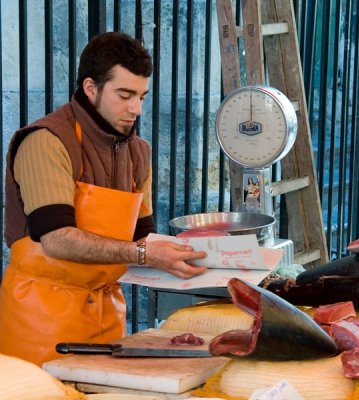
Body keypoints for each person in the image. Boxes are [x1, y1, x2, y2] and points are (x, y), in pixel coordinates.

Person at [0, 32, 207, 366]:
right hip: (39, 320)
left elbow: (144, 237)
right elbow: (56, 240)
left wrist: (207, 258)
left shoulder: (139, 153)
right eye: (124, 95)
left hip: (108, 320)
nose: (136, 109)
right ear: (91, 88)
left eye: (141, 96)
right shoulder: (45, 141)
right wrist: (144, 253)